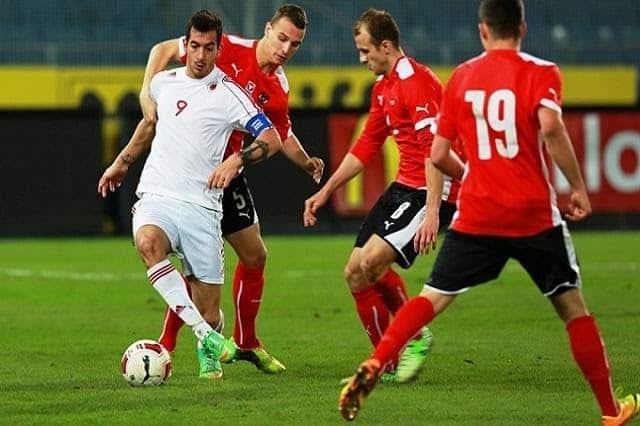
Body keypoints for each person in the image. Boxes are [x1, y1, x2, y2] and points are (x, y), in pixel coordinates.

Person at [338, 1, 639, 424]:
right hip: (532, 211)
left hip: (478, 210)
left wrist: (471, 177)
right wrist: (580, 189)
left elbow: (439, 154)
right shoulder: (542, 71)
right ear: (522, 28)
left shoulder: (462, 77)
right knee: (573, 309)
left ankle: (377, 360)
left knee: (431, 298)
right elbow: (551, 130)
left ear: (482, 31)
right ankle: (610, 412)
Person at [137, 4, 324, 375]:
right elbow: (163, 50)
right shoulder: (226, 47)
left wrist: (306, 162)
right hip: (189, 172)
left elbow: (279, 135)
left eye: (295, 44)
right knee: (195, 267)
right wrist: (147, 93)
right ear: (267, 29)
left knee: (255, 256)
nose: (285, 49)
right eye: (282, 38)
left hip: (228, 174)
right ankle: (169, 343)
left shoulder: (278, 87)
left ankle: (247, 342)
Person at [98, 9, 284, 379]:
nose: (200, 55)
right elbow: (148, 125)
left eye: (209, 48)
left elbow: (271, 138)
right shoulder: (164, 83)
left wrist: (237, 160)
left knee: (211, 311)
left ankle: (208, 341)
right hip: (158, 195)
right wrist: (121, 162)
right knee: (148, 243)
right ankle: (203, 334)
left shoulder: (231, 95)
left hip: (203, 208)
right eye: (195, 46)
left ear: (219, 49)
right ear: (186, 46)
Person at [303, 8, 460, 383]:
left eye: (364, 51)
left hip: (432, 188)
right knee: (354, 273)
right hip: (405, 187)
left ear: (385, 46)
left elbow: (434, 151)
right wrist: (326, 191)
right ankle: (386, 361)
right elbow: (367, 145)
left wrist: (435, 212)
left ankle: (412, 337)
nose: (361, 59)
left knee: (371, 262)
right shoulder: (384, 87)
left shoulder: (416, 82)